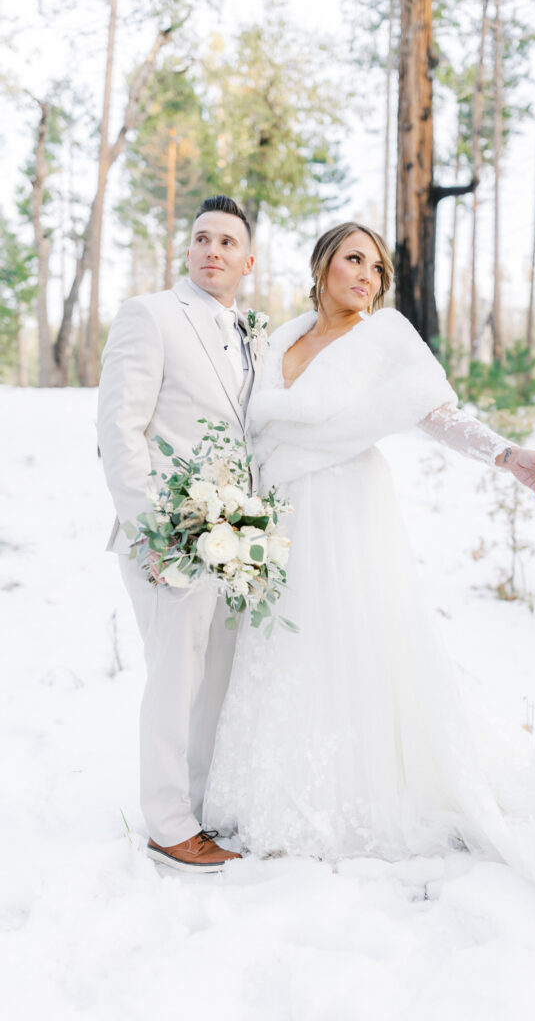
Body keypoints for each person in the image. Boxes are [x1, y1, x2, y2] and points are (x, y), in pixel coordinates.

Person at [202, 221, 535, 858]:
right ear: (322, 266)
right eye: (353, 259)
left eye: (378, 267)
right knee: (285, 646)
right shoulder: (279, 337)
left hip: (347, 509)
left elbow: (436, 413)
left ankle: (353, 797)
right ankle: (277, 790)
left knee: (350, 643)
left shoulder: (386, 338)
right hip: (279, 514)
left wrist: (507, 455)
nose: (368, 275)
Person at [98, 195, 259, 873]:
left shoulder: (249, 331)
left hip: (231, 541)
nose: (212, 250)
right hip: (168, 537)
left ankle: (197, 808)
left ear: (247, 262)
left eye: (226, 241)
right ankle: (167, 825)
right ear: (187, 250)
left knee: (214, 682)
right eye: (201, 238)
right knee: (174, 681)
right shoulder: (150, 314)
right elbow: (118, 431)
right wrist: (155, 532)